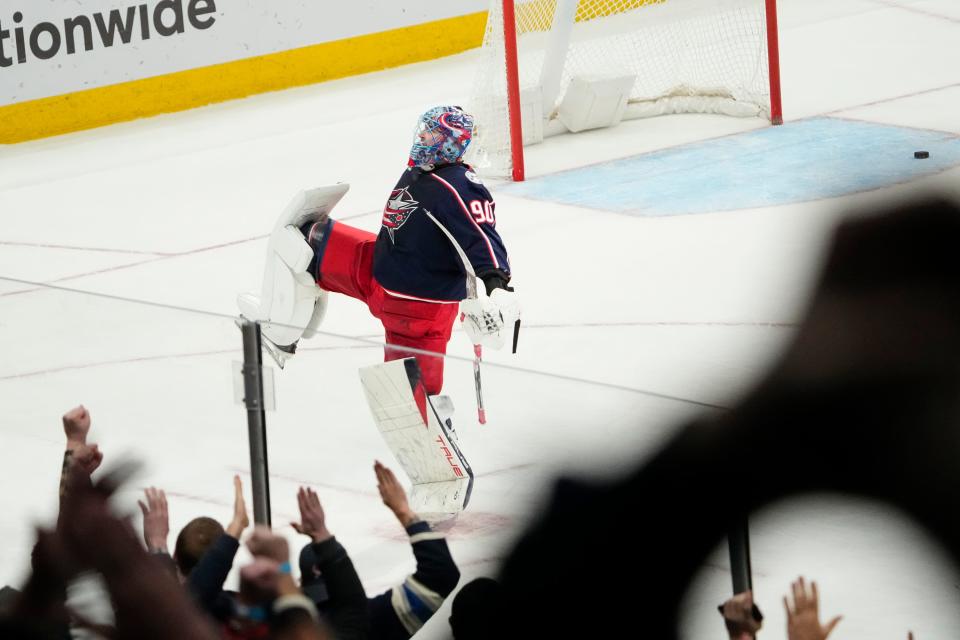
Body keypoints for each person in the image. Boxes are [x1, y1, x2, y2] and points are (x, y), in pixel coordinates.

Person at [241, 105, 520, 399]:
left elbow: (482, 235)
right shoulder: (424, 170)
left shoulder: (459, 187)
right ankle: (279, 333)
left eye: (431, 134)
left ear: (449, 144)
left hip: (414, 307)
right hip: (379, 268)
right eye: (423, 130)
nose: (422, 137)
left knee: (410, 396)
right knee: (305, 238)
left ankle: (427, 419)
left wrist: (497, 283)